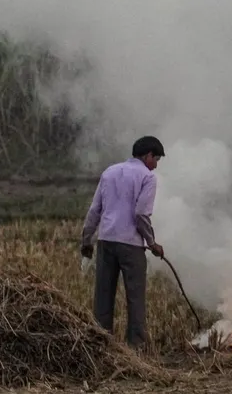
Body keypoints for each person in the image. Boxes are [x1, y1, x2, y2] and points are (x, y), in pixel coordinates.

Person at [80, 136, 166, 349]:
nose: (155, 166)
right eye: (156, 160)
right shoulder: (148, 177)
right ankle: (136, 348)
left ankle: (101, 345)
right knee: (135, 297)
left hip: (106, 240)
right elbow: (140, 215)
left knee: (103, 296)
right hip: (131, 245)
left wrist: (86, 239)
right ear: (148, 156)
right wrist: (152, 242)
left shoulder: (109, 172)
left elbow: (94, 210)